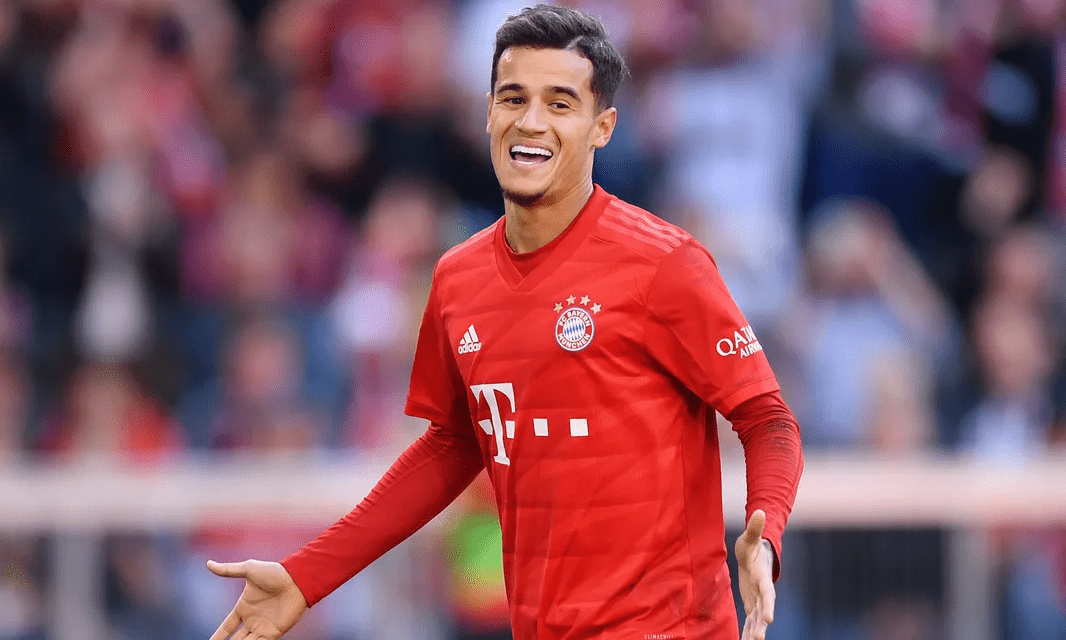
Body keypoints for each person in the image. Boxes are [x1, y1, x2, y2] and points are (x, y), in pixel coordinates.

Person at [206, 6, 803, 640]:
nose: (531, 121)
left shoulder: (665, 264)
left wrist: (765, 533)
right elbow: (451, 447)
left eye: (560, 103)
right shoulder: (457, 280)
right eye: (513, 98)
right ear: (488, 113)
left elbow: (768, 419)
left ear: (602, 127)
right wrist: (306, 577)